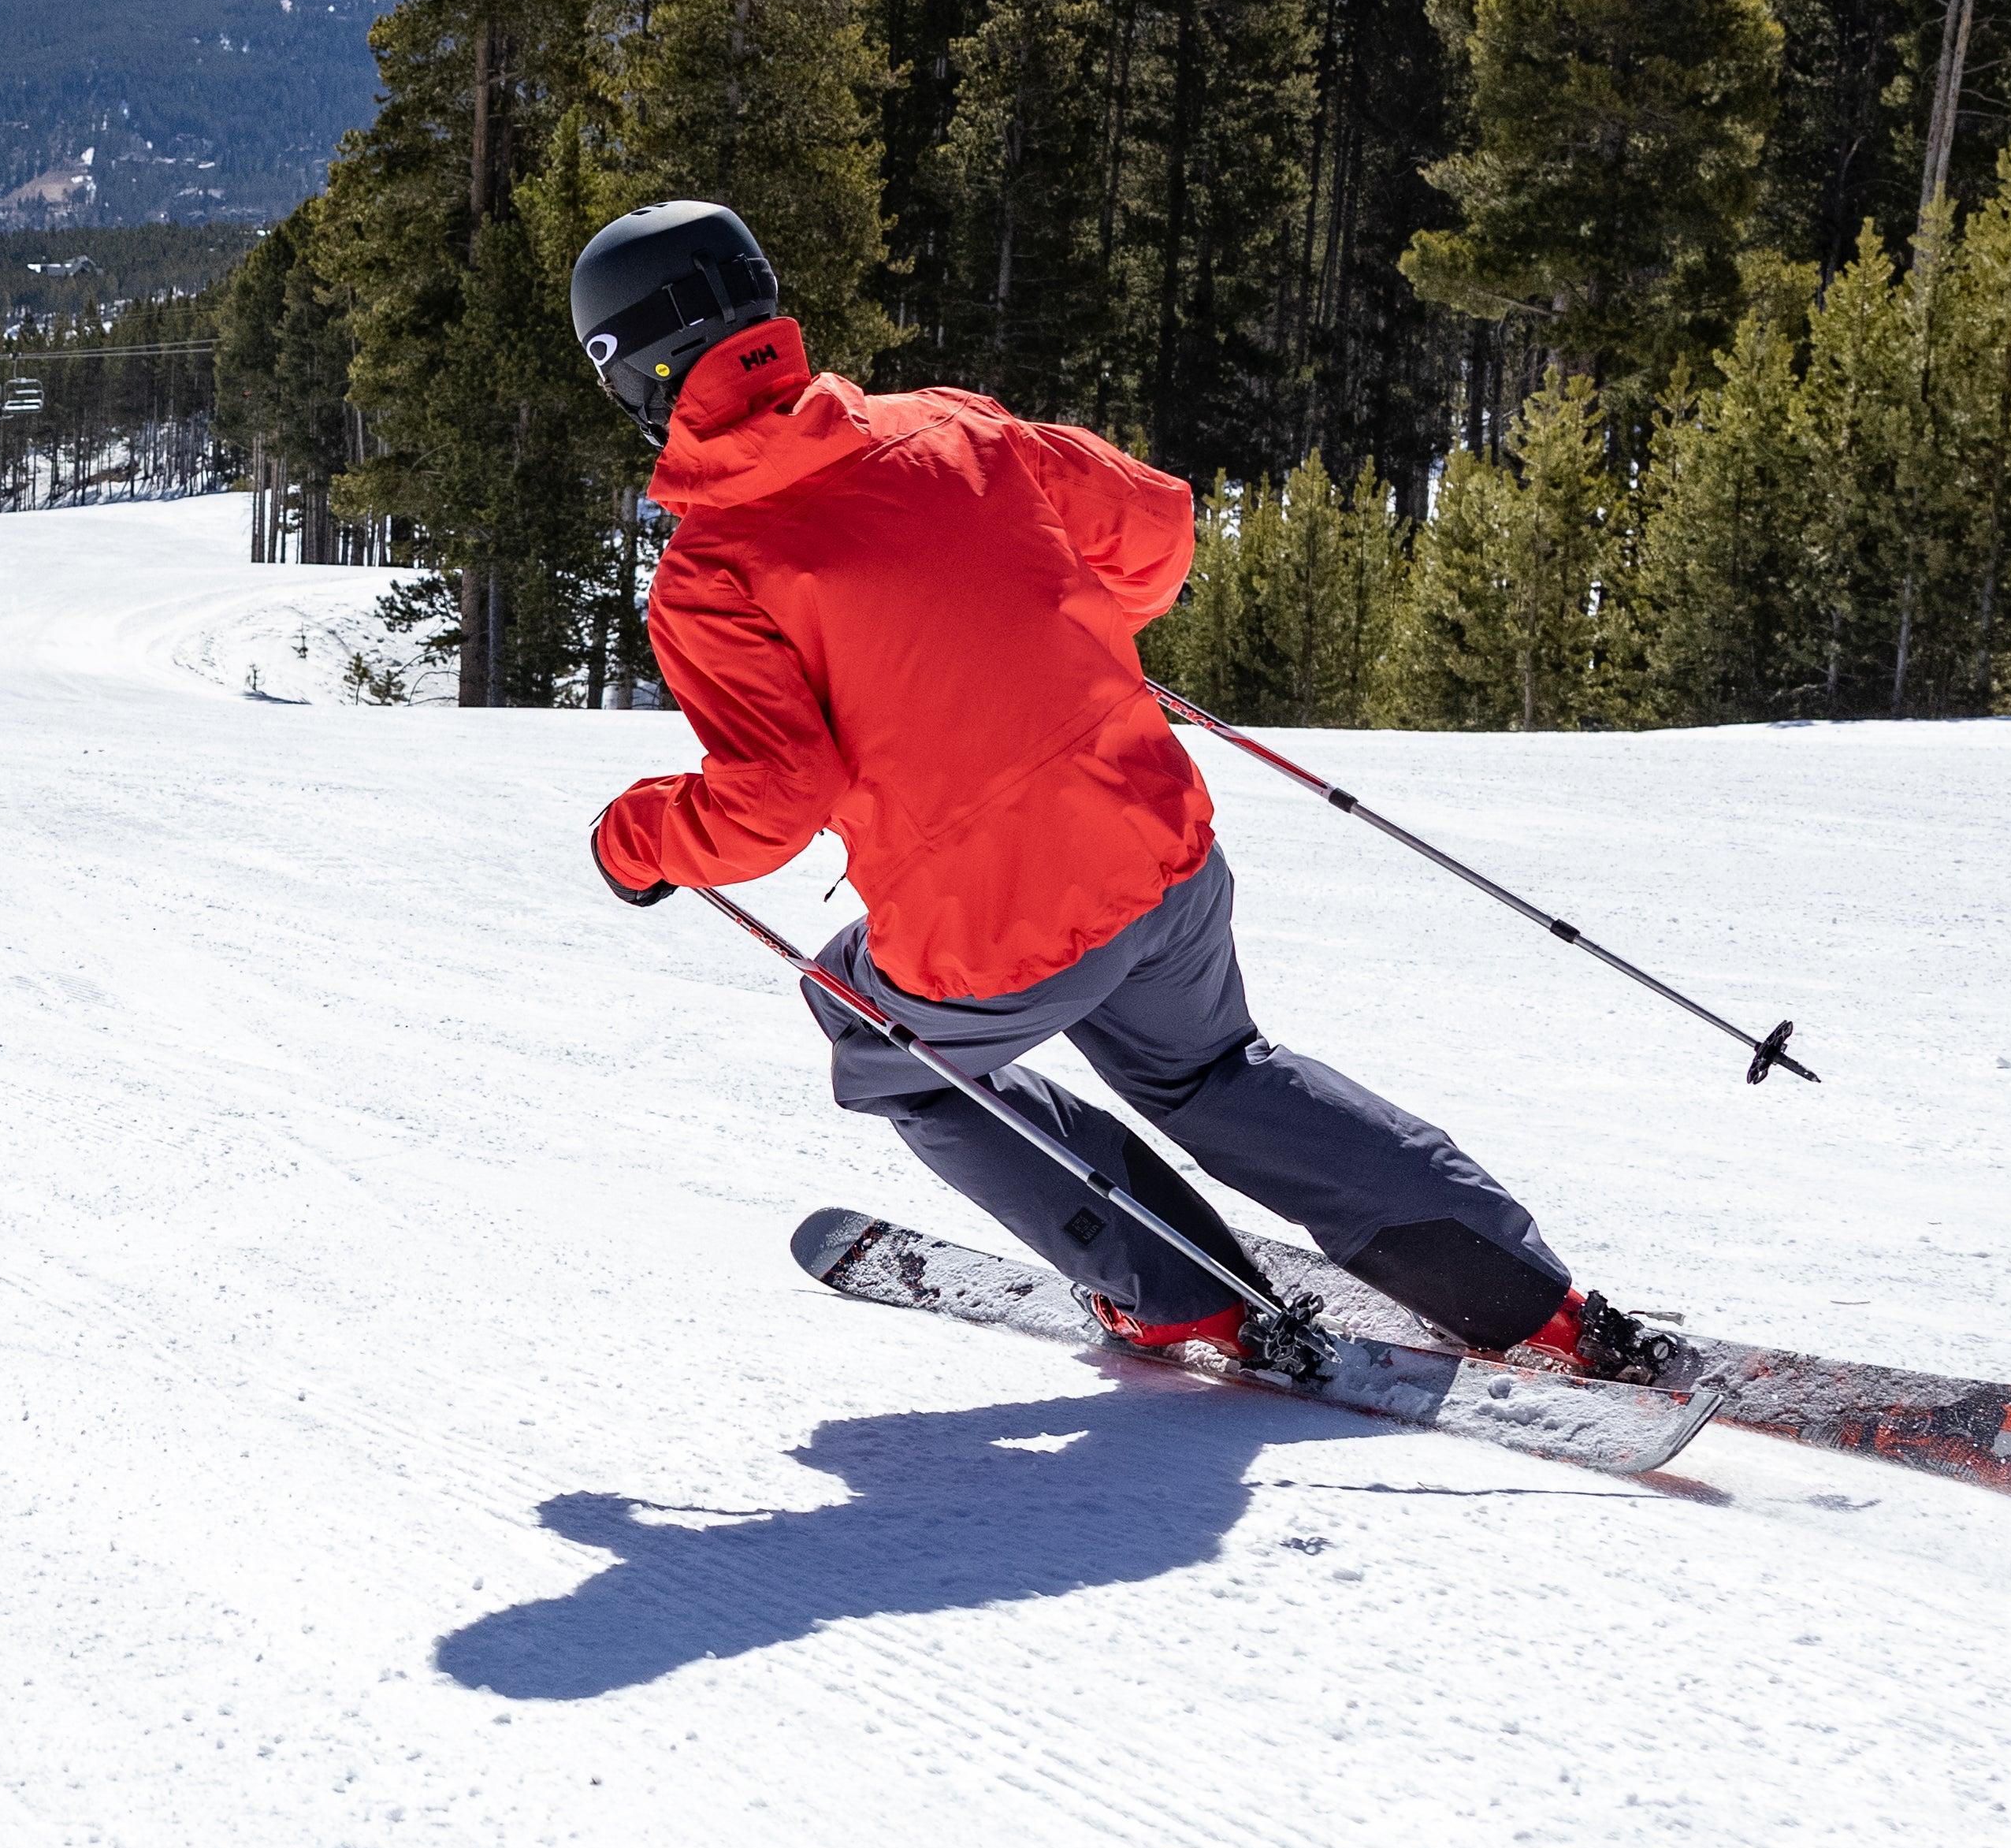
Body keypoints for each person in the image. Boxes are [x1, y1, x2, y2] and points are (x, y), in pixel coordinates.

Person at [570, 196, 1652, 1370]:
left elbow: (774, 800)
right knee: (1215, 1071)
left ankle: (1173, 1288)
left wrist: (636, 841)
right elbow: (1157, 527)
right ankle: (1529, 1297)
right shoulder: (948, 426)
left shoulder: (715, 566)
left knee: (877, 1036)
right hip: (1159, 849)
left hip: (990, 933)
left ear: (633, 373)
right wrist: (1061, 637)